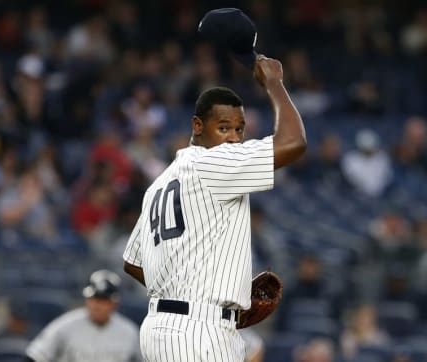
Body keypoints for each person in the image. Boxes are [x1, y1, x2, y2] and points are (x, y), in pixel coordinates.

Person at [123, 54, 307, 361]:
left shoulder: (160, 183)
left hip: (161, 328)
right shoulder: (212, 164)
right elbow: (293, 142)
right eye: (224, 128)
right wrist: (274, 83)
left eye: (239, 129)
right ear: (197, 126)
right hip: (200, 331)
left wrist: (198, 284)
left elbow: (133, 262)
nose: (234, 138)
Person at [24, 270, 141, 362]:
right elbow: (34, 355)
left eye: (103, 300)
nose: (97, 306)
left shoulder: (129, 332)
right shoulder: (65, 326)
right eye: (94, 299)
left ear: (114, 304)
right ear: (87, 300)